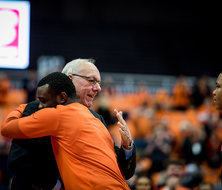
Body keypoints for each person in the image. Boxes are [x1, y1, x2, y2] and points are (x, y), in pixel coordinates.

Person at [7, 59, 136, 190]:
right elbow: (18, 160)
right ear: (70, 79)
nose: (98, 88)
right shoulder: (40, 108)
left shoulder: (97, 118)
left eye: (99, 83)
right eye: (92, 80)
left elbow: (124, 173)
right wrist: (57, 186)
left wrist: (127, 146)